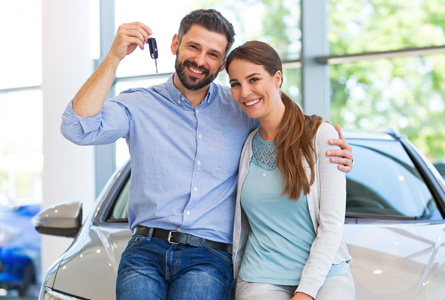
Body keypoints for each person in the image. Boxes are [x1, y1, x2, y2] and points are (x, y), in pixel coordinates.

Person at [60, 9, 353, 300]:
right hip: (145, 249)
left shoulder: (241, 107)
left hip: (208, 256)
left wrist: (334, 152)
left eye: (213, 54)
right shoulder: (139, 104)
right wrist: (114, 56)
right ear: (175, 44)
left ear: (222, 63)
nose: (200, 60)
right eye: (193, 47)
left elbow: (287, 127)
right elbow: (76, 128)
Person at [226, 40, 354, 300]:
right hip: (259, 277)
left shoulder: (320, 135)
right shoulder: (245, 145)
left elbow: (331, 225)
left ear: (277, 78)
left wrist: (305, 292)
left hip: (326, 275)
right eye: (235, 84)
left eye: (253, 79)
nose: (245, 92)